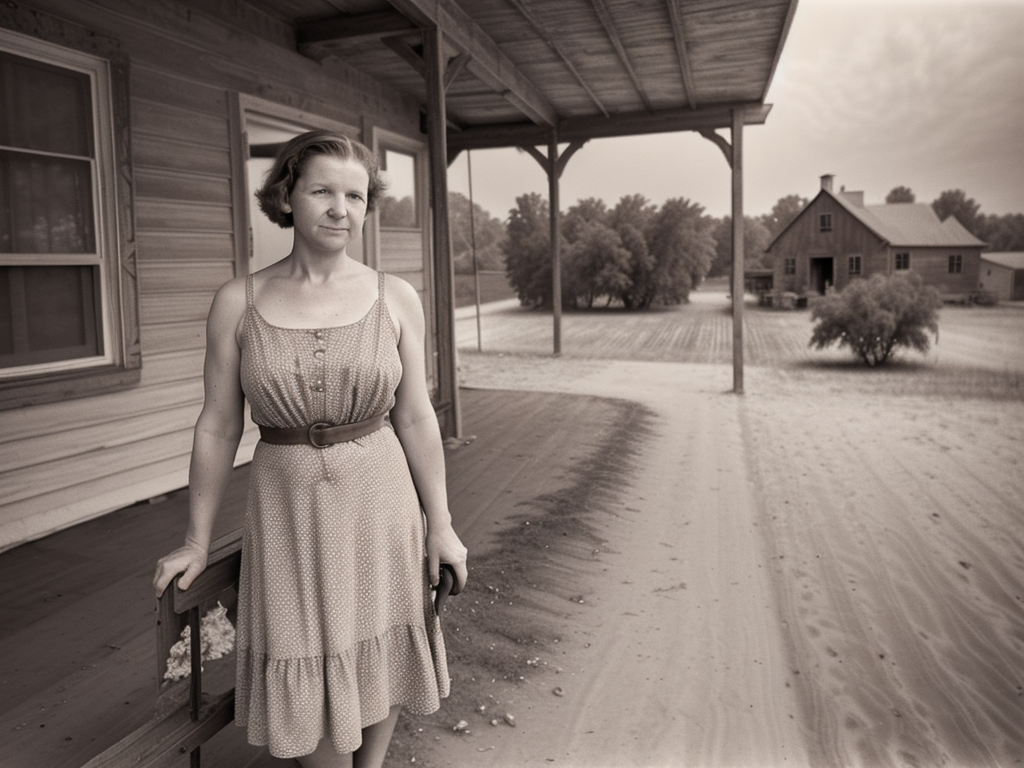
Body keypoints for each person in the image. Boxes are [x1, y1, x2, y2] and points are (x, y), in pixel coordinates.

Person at [153, 130, 468, 768]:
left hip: (382, 501)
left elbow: (414, 417)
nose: (339, 208)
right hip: (287, 508)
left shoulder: (396, 298)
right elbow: (217, 425)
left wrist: (443, 524)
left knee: (379, 639)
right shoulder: (238, 301)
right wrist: (194, 538)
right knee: (307, 649)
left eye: (355, 195)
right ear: (287, 197)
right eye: (322, 190)